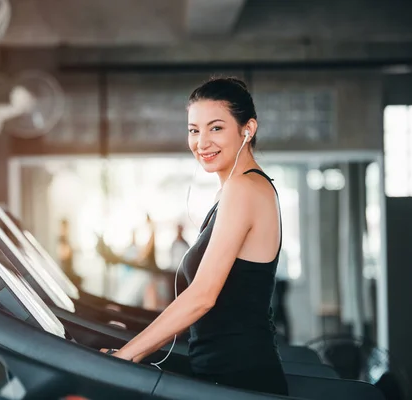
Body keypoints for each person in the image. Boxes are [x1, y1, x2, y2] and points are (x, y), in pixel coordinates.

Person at [100, 77, 288, 396]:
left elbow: (202, 296)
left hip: (238, 379)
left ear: (248, 129)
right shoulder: (233, 190)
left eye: (216, 128)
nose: (202, 142)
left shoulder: (244, 189)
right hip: (220, 371)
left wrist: (126, 356)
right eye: (194, 129)